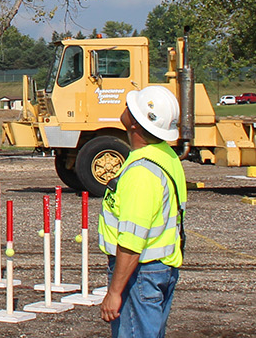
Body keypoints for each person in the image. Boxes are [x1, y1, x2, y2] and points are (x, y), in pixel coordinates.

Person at [97, 85, 186, 337]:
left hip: (140, 274)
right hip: (159, 268)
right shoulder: (165, 156)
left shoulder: (141, 173)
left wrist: (114, 292)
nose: (125, 108)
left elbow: (133, 239)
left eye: (130, 107)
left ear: (135, 123)